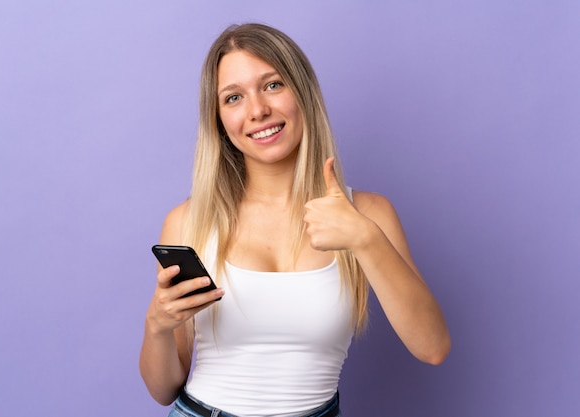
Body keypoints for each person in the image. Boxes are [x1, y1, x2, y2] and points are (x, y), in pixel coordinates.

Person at [139, 23, 451, 417]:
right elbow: (163, 389)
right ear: (218, 120)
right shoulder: (189, 222)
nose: (257, 111)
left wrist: (365, 240)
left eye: (272, 85)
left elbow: (433, 347)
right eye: (233, 97)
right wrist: (158, 325)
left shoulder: (369, 214)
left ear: (302, 92)